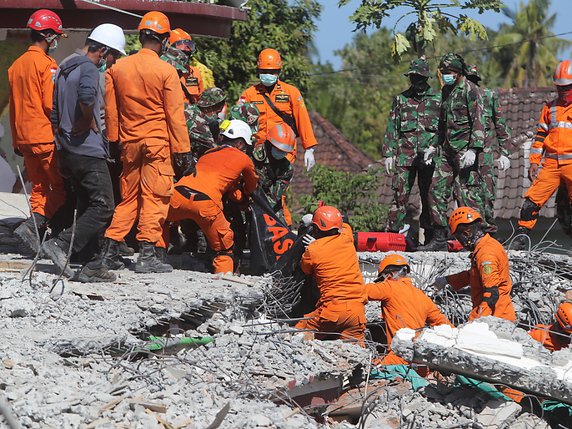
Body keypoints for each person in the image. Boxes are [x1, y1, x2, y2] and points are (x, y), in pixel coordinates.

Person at [100, 11, 190, 274]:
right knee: (154, 197)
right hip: (157, 145)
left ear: (141, 36)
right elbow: (175, 116)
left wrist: (114, 140)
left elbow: (111, 110)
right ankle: (147, 256)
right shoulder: (166, 71)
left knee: (128, 198)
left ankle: (109, 251)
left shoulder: (117, 68)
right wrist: (183, 150)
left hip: (128, 143)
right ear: (163, 40)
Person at [43, 24, 126, 282]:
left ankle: (91, 265)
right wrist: (85, 123)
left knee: (87, 204)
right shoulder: (89, 68)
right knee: (104, 206)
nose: (112, 63)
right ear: (102, 50)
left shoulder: (66, 65)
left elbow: (55, 110)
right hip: (87, 151)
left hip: (69, 149)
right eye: (113, 56)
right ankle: (61, 244)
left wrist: (62, 140)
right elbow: (87, 98)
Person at [160, 120, 258, 273]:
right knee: (224, 248)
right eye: (245, 146)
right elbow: (252, 184)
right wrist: (244, 196)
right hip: (206, 204)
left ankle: (158, 260)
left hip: (178, 196)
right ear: (239, 143)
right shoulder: (244, 159)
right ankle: (224, 281)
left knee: (161, 221)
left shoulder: (209, 152)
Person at [8, 9, 67, 254]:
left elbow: (13, 106)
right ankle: (37, 225)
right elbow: (49, 104)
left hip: (23, 138)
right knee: (62, 187)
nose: (55, 41)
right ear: (46, 35)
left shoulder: (16, 65)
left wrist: (15, 141)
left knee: (40, 187)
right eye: (55, 36)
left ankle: (35, 231)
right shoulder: (46, 64)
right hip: (44, 137)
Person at [420, 53, 486, 251]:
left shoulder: (471, 90)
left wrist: (474, 149)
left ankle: (475, 239)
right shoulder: (446, 90)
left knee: (464, 194)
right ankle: (439, 237)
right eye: (443, 72)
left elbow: (479, 120)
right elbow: (442, 122)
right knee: (436, 190)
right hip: (446, 151)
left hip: (464, 151)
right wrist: (433, 145)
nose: (446, 76)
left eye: (449, 72)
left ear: (458, 72)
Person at [513, 60, 572, 250]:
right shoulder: (549, 108)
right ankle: (521, 237)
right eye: (560, 87)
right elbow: (540, 136)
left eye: (567, 87)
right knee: (531, 201)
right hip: (551, 164)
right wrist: (534, 162)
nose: (563, 91)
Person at [382, 58, 441, 241]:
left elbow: (444, 129)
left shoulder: (438, 100)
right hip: (404, 156)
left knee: (429, 196)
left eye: (419, 78)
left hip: (429, 157)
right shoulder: (401, 100)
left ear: (426, 78)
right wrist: (389, 154)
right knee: (400, 194)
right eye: (413, 78)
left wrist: (436, 149)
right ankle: (393, 233)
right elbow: (393, 127)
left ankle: (431, 235)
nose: (416, 82)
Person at [294, 206, 367, 344]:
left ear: (315, 229)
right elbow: (345, 225)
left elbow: (305, 269)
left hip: (332, 311)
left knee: (299, 333)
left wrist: (313, 246)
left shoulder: (314, 250)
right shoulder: (347, 237)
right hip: (357, 313)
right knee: (354, 354)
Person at [239, 48, 317, 171]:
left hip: (284, 152)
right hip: (257, 153)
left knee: (280, 187)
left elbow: (303, 120)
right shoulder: (249, 94)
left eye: (272, 71)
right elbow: (238, 122)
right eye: (264, 71)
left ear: (278, 72)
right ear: (258, 71)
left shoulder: (291, 92)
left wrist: (309, 148)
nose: (268, 75)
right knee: (255, 188)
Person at [433, 207, 516, 321]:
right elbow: (474, 275)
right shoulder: (486, 246)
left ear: (467, 233)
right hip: (496, 316)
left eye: (459, 238)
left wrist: (477, 320)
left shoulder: (486, 253)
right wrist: (447, 280)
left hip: (496, 320)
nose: (460, 243)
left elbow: (491, 294)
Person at [367, 254, 452, 365]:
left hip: (398, 356)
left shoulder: (388, 287)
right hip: (419, 357)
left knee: (368, 370)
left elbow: (357, 291)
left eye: (382, 279)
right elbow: (445, 325)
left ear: (390, 275)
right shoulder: (421, 295)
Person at [465, 64, 512, 234]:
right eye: (468, 79)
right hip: (464, 153)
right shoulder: (456, 97)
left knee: (487, 193)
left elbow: (501, 126)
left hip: (485, 154)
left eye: (473, 80)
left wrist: (505, 153)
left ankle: (489, 232)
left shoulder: (488, 96)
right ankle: (471, 231)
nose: (470, 83)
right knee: (467, 193)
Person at [252, 123, 295, 225]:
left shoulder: (286, 168)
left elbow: (275, 196)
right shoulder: (254, 155)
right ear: (270, 143)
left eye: (284, 151)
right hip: (246, 196)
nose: (280, 153)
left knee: (281, 228)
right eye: (278, 149)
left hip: (268, 202)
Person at [186, 87, 227, 159]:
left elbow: (217, 121)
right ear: (210, 108)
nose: (217, 115)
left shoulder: (189, 107)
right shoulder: (198, 124)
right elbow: (214, 149)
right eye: (217, 112)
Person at [168, 28, 203, 104]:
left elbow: (201, 101)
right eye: (182, 52)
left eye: (187, 53)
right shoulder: (161, 71)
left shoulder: (195, 73)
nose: (185, 56)